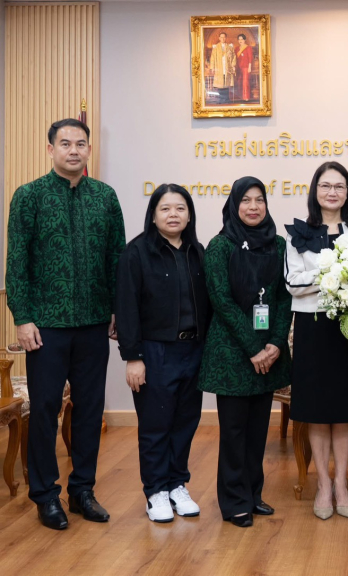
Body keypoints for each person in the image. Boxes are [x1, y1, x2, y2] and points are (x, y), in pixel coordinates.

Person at [5, 118, 125, 530]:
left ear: (89, 149)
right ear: (50, 149)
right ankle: (45, 495)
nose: (74, 150)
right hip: (46, 326)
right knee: (45, 410)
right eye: (65, 143)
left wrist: (117, 310)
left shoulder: (105, 197)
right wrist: (23, 317)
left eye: (81, 144)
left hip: (94, 323)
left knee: (90, 409)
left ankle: (82, 492)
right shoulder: (29, 196)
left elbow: (117, 259)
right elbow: (16, 263)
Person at [197, 176, 292, 528]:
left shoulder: (278, 244)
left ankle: (253, 495)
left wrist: (276, 343)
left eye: (259, 200)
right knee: (234, 432)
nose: (253, 206)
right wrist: (254, 348)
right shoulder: (220, 246)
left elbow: (283, 298)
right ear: (234, 205)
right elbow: (221, 301)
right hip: (233, 353)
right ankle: (234, 501)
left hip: (268, 352)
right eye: (246, 200)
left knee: (257, 432)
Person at [115, 184, 211, 523]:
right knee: (156, 425)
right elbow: (126, 307)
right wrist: (133, 357)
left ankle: (176, 485)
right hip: (154, 352)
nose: (173, 215)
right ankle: (155, 490)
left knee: (185, 423)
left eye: (180, 208)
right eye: (165, 208)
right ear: (153, 215)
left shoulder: (197, 251)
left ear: (189, 215)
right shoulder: (137, 252)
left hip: (193, 349)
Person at [284, 161, 348, 520]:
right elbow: (292, 283)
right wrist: (337, 272)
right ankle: (322, 484)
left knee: (342, 411)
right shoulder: (297, 233)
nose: (332, 192)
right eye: (325, 185)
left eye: (339, 186)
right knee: (316, 412)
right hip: (311, 327)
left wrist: (319, 275)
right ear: (315, 190)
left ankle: (342, 484)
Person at [208, 31, 235, 102]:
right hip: (219, 67)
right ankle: (221, 99)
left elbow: (233, 57)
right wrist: (212, 67)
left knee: (226, 83)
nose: (223, 38)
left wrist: (233, 66)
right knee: (220, 83)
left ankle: (226, 99)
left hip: (227, 67)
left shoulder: (230, 47)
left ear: (226, 38)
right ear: (219, 38)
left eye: (224, 37)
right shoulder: (216, 47)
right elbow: (213, 58)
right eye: (221, 37)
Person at [235, 33, 254, 102]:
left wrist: (249, 67)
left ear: (244, 40)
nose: (240, 41)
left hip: (246, 67)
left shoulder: (248, 48)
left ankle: (246, 97)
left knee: (245, 83)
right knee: (239, 82)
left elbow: (250, 58)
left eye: (242, 39)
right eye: (239, 39)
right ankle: (241, 96)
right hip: (239, 68)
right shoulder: (237, 48)